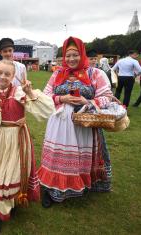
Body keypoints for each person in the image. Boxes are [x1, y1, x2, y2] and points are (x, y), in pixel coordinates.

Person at [0, 60, 54, 234]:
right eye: (0, 73)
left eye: (7, 74)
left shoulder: (19, 92)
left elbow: (46, 111)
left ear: (13, 77)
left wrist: (30, 93)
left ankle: (11, 201)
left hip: (17, 138)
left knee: (13, 171)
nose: (3, 77)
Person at [38, 36, 113, 207]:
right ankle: (54, 189)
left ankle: (80, 186)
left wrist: (87, 102)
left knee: (80, 156)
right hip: (60, 124)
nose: (71, 59)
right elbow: (45, 96)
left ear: (82, 54)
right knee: (59, 157)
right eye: (68, 55)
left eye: (75, 55)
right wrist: (61, 98)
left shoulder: (95, 73)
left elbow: (107, 98)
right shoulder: (58, 73)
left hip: (84, 124)